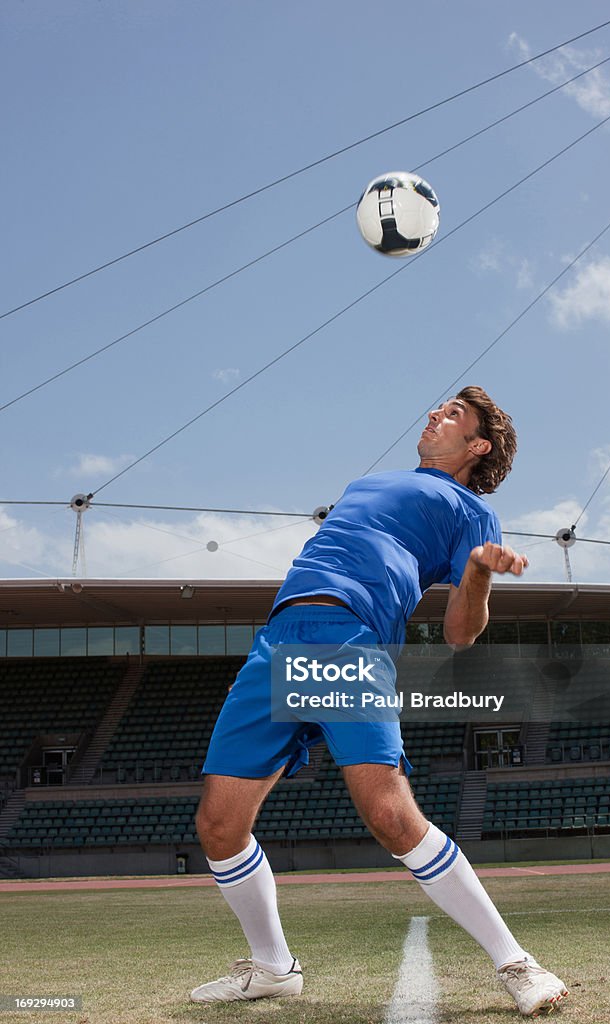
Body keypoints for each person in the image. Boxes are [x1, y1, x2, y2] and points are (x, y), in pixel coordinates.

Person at [191, 385, 568, 1017]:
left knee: (391, 818)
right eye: (438, 407)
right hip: (278, 638)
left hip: (348, 636)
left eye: (453, 415)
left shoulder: (469, 508)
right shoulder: (369, 483)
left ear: (477, 446)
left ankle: (516, 962)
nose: (434, 415)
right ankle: (273, 969)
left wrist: (476, 571)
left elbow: (461, 633)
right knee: (218, 826)